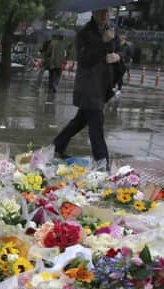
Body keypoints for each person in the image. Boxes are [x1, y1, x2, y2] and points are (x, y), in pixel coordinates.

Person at [52, 9, 121, 171]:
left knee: (79, 121)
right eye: (101, 12)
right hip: (89, 86)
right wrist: (102, 42)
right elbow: (84, 60)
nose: (105, 15)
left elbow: (118, 51)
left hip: (103, 85)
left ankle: (56, 146)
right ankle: (102, 163)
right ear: (94, 12)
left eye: (107, 12)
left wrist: (118, 56)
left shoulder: (111, 30)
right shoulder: (84, 33)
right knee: (96, 126)